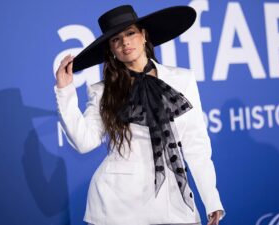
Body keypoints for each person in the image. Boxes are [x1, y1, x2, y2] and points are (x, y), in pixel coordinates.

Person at [54, 4, 225, 225]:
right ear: (111, 50)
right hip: (118, 205)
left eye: (130, 33)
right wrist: (65, 91)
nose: (125, 42)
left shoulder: (182, 79)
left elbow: (196, 145)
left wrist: (211, 199)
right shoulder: (102, 91)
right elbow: (84, 142)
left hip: (174, 200)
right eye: (116, 39)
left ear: (143, 35)